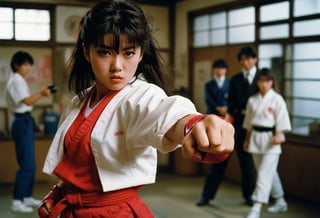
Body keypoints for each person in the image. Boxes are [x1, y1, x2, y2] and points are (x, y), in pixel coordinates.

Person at [37, 1, 234, 217]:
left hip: (115, 213)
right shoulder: (78, 101)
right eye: (104, 52)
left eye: (128, 53)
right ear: (87, 52)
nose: (117, 66)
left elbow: (165, 113)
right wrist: (57, 194)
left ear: (140, 54)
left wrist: (193, 124)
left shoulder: (140, 96)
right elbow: (72, 165)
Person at [5, 51, 52, 213]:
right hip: (21, 121)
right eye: (25, 64)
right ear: (16, 65)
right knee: (26, 163)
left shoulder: (19, 80)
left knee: (30, 163)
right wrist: (42, 93)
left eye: (29, 64)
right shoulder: (16, 80)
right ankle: (17, 200)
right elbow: (26, 101)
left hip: (25, 120)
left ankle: (26, 196)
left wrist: (41, 93)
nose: (28, 68)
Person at [243, 68, 291, 218]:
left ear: (272, 82)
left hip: (271, 140)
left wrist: (279, 134)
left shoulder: (277, 99)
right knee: (270, 173)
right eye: (261, 81)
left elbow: (283, 121)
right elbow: (248, 124)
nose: (264, 84)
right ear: (257, 82)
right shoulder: (252, 100)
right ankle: (281, 200)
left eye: (268, 81)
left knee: (264, 174)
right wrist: (247, 140)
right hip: (255, 138)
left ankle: (256, 208)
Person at [225, 46, 257, 206]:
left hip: (257, 124)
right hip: (238, 122)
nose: (245, 62)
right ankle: (248, 196)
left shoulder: (262, 77)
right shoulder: (235, 79)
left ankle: (263, 194)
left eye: (248, 58)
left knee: (258, 163)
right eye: (242, 59)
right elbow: (230, 102)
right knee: (244, 162)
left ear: (255, 59)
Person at [196, 59, 230, 206]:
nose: (219, 71)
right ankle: (206, 196)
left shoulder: (230, 83)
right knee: (216, 161)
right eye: (217, 68)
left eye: (222, 69)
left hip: (230, 122)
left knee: (245, 163)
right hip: (214, 121)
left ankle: (249, 196)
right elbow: (208, 100)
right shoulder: (209, 84)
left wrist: (227, 109)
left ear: (225, 70)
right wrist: (219, 108)